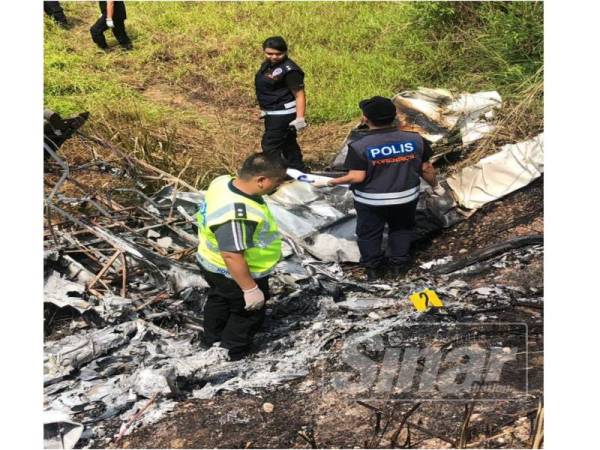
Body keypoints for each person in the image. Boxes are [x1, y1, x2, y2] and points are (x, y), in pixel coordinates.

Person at [313, 96, 445, 280]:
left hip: (370, 201)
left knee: (369, 233)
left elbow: (357, 177)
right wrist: (436, 186)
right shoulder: (415, 140)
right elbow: (426, 168)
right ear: (394, 116)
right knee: (401, 229)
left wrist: (328, 182)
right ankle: (399, 266)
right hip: (405, 198)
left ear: (365, 119)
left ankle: (373, 269)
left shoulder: (360, 146)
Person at [196, 153, 287, 360]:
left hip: (209, 261)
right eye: (277, 181)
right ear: (261, 180)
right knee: (247, 312)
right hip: (235, 272)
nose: (279, 185)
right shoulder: (238, 214)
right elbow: (231, 255)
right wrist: (250, 289)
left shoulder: (222, 182)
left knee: (219, 299)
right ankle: (232, 351)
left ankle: (211, 339)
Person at [255, 36, 307, 172]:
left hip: (283, 114)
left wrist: (300, 118)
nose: (273, 57)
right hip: (272, 113)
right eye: (269, 53)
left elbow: (299, 94)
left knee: (270, 146)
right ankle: (298, 170)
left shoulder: (290, 70)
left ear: (285, 52)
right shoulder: (268, 64)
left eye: (278, 54)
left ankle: (275, 174)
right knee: (288, 144)